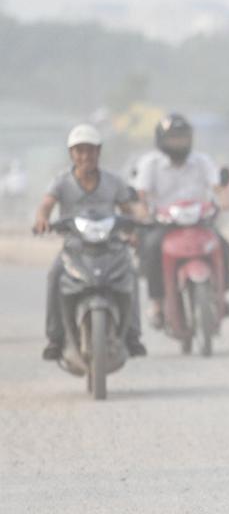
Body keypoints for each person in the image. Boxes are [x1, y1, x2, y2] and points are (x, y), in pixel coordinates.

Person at [33, 124, 146, 360]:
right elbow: (46, 204)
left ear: (99, 152)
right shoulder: (61, 182)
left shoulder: (114, 182)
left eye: (90, 150)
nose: (85, 156)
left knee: (131, 275)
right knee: (55, 276)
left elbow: (127, 212)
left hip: (111, 247)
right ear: (71, 154)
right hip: (75, 249)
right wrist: (42, 220)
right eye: (79, 151)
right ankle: (54, 339)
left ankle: (133, 336)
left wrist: (133, 231)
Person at [134, 113, 229, 327]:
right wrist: (142, 210)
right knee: (152, 248)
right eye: (173, 138)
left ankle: (221, 295)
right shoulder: (150, 163)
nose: (178, 142)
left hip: (198, 221)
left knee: (223, 246)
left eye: (182, 137)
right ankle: (156, 303)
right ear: (161, 140)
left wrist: (225, 200)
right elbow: (141, 195)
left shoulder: (202, 161)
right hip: (164, 224)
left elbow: (217, 187)